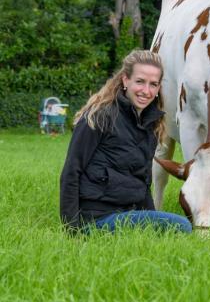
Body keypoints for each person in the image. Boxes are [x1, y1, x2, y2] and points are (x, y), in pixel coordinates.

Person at [59, 50, 192, 233]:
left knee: (168, 230)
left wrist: (150, 221)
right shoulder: (99, 117)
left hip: (126, 214)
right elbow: (71, 172)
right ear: (125, 80)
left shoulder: (151, 125)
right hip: (96, 217)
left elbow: (143, 183)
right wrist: (71, 229)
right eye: (140, 81)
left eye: (153, 84)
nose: (146, 91)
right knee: (182, 226)